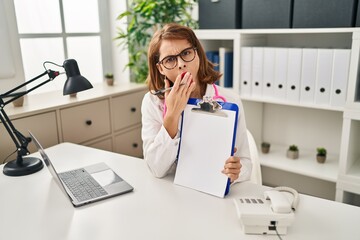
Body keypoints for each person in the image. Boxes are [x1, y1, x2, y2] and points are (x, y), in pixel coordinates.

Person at [141, 23, 251, 184]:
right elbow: (156, 169)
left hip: (214, 189)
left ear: (198, 53)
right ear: (161, 69)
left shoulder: (231, 100)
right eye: (170, 59)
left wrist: (237, 172)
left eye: (186, 53)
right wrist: (172, 115)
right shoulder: (152, 102)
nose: (181, 64)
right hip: (173, 192)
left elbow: (246, 163)